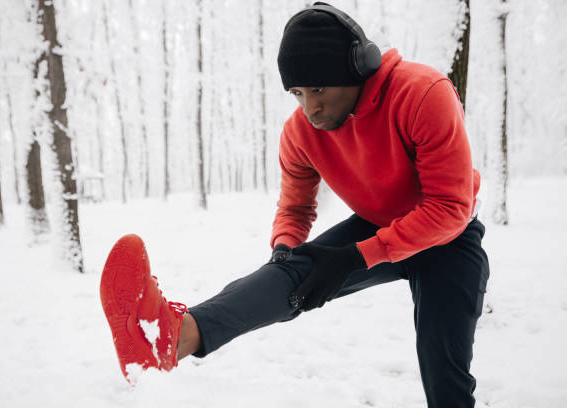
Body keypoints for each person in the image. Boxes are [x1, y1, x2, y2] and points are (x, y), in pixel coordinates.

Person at [100, 3, 489, 407]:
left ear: (358, 68)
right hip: (376, 225)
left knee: (445, 376)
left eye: (318, 89)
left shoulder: (423, 94)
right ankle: (172, 338)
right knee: (295, 272)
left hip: (449, 239)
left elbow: (449, 207)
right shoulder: (301, 132)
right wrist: (284, 251)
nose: (310, 107)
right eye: (298, 93)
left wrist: (357, 257)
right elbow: (295, 209)